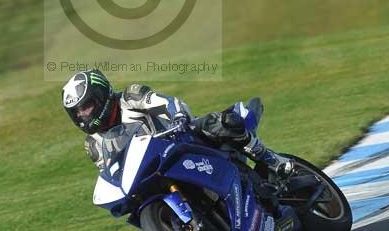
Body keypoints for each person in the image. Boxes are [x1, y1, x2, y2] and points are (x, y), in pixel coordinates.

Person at [61, 68, 293, 177]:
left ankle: (270, 159)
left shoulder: (130, 96)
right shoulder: (93, 144)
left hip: (180, 140)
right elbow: (111, 174)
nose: (83, 115)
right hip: (153, 171)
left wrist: (179, 117)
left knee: (220, 122)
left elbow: (167, 103)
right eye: (77, 112)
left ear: (101, 96)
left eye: (86, 107)